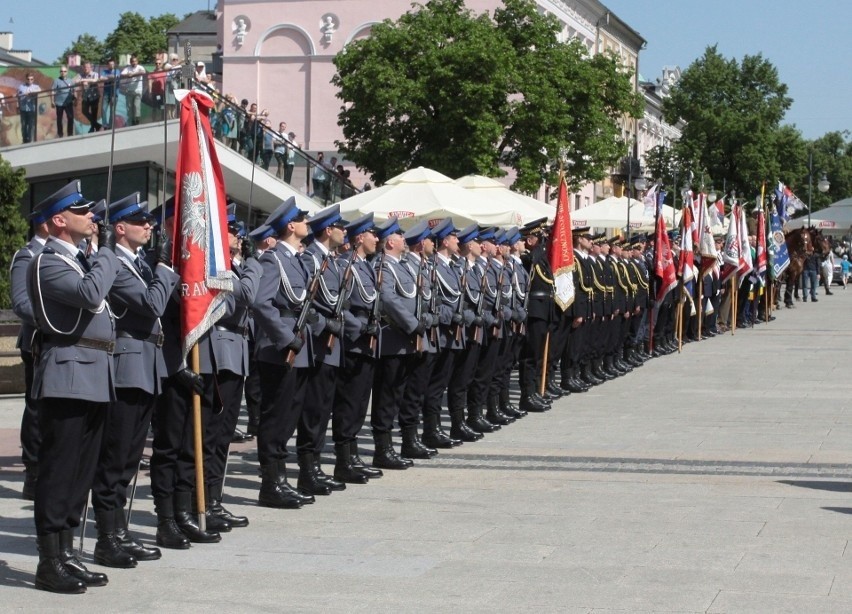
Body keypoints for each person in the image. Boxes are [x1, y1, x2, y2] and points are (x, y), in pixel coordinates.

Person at [26, 180, 120, 594]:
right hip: (67, 373)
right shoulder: (49, 261)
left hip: (94, 372)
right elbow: (89, 293)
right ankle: (49, 561)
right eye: (84, 212)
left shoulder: (81, 260)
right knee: (60, 471)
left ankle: (67, 553)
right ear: (60, 220)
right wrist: (106, 256)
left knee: (81, 472)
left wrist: (98, 258)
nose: (93, 218)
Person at [90, 193, 178, 569]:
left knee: (129, 459)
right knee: (116, 457)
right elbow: (152, 304)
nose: (150, 226)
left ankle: (119, 532)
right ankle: (107, 538)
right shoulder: (116, 267)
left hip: (147, 363)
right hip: (127, 366)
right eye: (140, 221)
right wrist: (164, 269)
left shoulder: (138, 264)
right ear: (120, 228)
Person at [10, 210, 49, 501]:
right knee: (37, 409)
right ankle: (33, 472)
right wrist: (57, 322)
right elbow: (22, 303)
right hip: (38, 342)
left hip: (60, 343)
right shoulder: (28, 254)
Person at [120, 55, 146, 126]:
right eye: (132, 61)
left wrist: (133, 74)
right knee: (129, 107)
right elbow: (121, 75)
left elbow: (143, 72)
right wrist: (128, 75)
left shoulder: (140, 67)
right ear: (130, 62)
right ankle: (132, 121)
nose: (134, 63)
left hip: (138, 90)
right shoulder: (128, 68)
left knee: (136, 106)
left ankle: (137, 120)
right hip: (129, 91)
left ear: (137, 62)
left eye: (135, 61)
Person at [76, 61, 101, 132]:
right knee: (84, 111)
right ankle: (97, 125)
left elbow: (95, 80)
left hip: (94, 96)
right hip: (85, 96)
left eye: (87, 67)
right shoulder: (81, 75)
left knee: (94, 113)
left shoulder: (94, 74)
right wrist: (82, 80)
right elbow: (75, 81)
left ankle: (93, 128)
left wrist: (86, 80)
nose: (86, 68)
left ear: (91, 67)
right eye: (84, 67)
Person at [52, 66, 76, 138]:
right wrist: (52, 100)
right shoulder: (56, 80)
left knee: (70, 117)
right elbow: (53, 91)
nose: (63, 73)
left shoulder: (70, 81)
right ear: (60, 72)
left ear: (67, 72)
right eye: (61, 71)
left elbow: (74, 90)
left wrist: (76, 99)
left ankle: (70, 134)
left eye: (64, 71)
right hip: (59, 103)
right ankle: (60, 134)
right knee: (59, 119)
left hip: (68, 102)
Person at [17, 72, 40, 143]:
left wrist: (31, 92)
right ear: (26, 79)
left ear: (33, 79)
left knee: (30, 125)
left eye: (31, 79)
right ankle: (25, 140)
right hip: (23, 108)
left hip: (31, 109)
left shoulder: (35, 87)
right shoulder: (21, 86)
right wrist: (17, 106)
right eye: (28, 79)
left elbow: (40, 90)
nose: (30, 80)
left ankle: (30, 140)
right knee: (23, 125)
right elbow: (17, 95)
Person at [99, 59, 120, 129]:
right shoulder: (104, 71)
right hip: (106, 93)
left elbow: (115, 77)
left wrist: (107, 77)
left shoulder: (117, 71)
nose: (111, 65)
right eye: (110, 64)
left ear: (114, 65)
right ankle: (105, 125)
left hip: (114, 93)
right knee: (103, 109)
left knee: (112, 111)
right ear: (107, 65)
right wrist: (110, 77)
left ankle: (111, 126)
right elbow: (101, 78)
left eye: (112, 64)